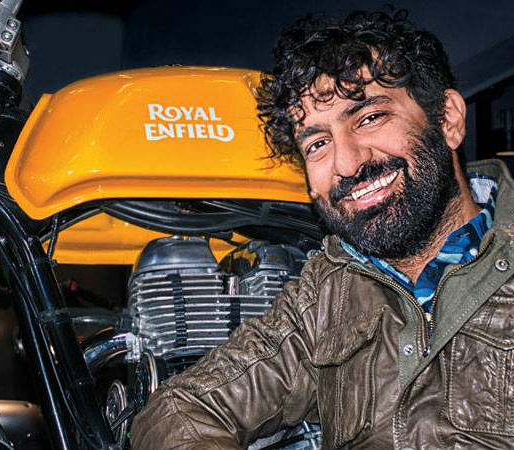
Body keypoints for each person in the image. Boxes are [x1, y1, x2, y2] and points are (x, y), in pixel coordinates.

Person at [130, 9, 514, 450]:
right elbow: (180, 407)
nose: (347, 162)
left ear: (448, 119)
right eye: (317, 143)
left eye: (369, 118)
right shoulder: (327, 292)